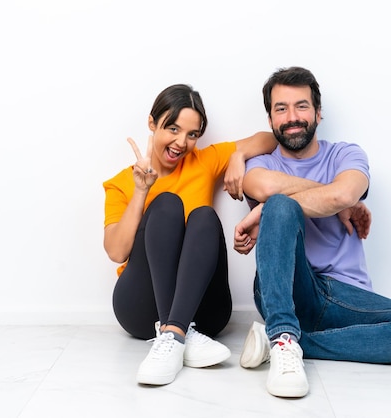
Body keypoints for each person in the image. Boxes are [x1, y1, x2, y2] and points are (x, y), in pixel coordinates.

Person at [233, 67, 391, 398]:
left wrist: (268, 208)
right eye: (281, 108)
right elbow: (267, 186)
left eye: (301, 106)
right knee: (279, 206)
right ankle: (284, 332)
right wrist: (284, 205)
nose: (292, 117)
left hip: (345, 295)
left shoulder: (346, 154)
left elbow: (345, 194)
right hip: (289, 289)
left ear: (317, 112)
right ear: (270, 120)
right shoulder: (262, 165)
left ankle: (283, 343)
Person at [103, 83, 277, 386]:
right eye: (172, 128)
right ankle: (177, 331)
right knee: (167, 204)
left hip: (205, 311)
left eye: (192, 134)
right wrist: (142, 191)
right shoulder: (122, 183)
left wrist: (238, 156)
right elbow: (117, 252)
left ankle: (174, 334)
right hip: (141, 310)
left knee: (205, 217)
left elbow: (270, 139)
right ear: (152, 124)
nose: (181, 142)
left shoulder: (204, 161)